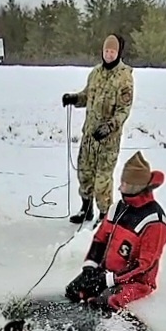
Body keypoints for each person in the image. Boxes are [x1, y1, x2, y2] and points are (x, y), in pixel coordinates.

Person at [65, 151, 166, 313]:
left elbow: (143, 264)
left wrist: (108, 280)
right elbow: (100, 239)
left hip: (135, 281)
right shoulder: (118, 208)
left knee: (101, 304)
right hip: (106, 272)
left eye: (126, 185)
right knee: (74, 291)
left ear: (137, 187)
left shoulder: (154, 222)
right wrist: (90, 268)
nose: (120, 188)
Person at [62, 34, 134, 224]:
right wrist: (73, 98)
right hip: (89, 136)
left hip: (107, 140)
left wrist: (109, 127)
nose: (109, 55)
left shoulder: (124, 77)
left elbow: (123, 110)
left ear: (118, 53)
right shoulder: (95, 73)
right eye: (106, 51)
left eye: (112, 52)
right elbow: (87, 96)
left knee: (102, 180)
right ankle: (86, 210)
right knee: (84, 173)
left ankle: (105, 217)